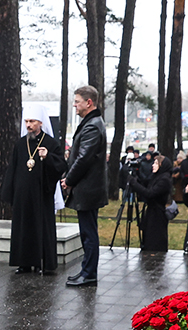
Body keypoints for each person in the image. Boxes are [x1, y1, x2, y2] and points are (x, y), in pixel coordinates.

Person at [2, 105, 66, 272]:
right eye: (26, 121)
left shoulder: (51, 143)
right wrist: (10, 192)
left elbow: (60, 166)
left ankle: (41, 263)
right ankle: (24, 263)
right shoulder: (20, 144)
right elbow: (13, 168)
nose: (28, 125)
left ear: (40, 123)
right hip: (22, 195)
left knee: (40, 228)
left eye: (32, 121)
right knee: (23, 228)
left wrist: (47, 157)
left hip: (41, 194)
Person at [62, 85, 108, 287]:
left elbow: (83, 159)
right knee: (87, 232)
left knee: (89, 234)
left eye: (77, 101)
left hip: (88, 189)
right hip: (88, 188)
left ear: (88, 103)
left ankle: (89, 273)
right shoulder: (93, 123)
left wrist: (69, 180)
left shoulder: (92, 125)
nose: (75, 105)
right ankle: (86, 270)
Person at [129, 154, 172, 252]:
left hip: (157, 214)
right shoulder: (157, 177)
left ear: (162, 166)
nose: (153, 165)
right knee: (148, 236)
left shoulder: (164, 180)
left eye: (156, 163)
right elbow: (146, 183)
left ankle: (155, 255)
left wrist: (134, 184)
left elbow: (150, 193)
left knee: (155, 239)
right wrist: (137, 174)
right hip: (151, 211)